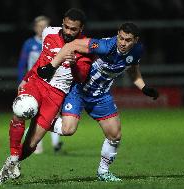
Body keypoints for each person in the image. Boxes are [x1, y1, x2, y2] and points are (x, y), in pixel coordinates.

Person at [0, 8, 92, 184]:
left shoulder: (84, 46)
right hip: (38, 84)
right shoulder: (49, 32)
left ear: (81, 28)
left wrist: (74, 65)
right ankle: (14, 158)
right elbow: (42, 60)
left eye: (73, 29)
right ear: (62, 22)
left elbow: (81, 78)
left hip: (56, 94)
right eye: (67, 26)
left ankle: (9, 164)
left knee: (32, 144)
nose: (69, 31)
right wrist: (25, 79)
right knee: (20, 110)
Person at [51, 22, 159, 182]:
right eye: (120, 38)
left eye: (127, 40)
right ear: (117, 35)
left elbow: (133, 70)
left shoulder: (137, 51)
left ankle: (103, 172)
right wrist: (51, 66)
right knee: (67, 130)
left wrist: (143, 88)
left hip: (100, 95)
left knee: (115, 135)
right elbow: (73, 44)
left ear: (135, 40)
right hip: (78, 89)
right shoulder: (104, 46)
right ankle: (42, 120)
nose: (122, 43)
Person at [17, 15, 63, 154]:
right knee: (34, 112)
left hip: (53, 82)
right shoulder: (29, 44)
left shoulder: (54, 41)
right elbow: (22, 64)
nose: (42, 28)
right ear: (34, 28)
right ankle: (35, 144)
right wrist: (22, 80)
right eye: (39, 26)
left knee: (53, 112)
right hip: (35, 82)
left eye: (45, 26)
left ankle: (56, 144)